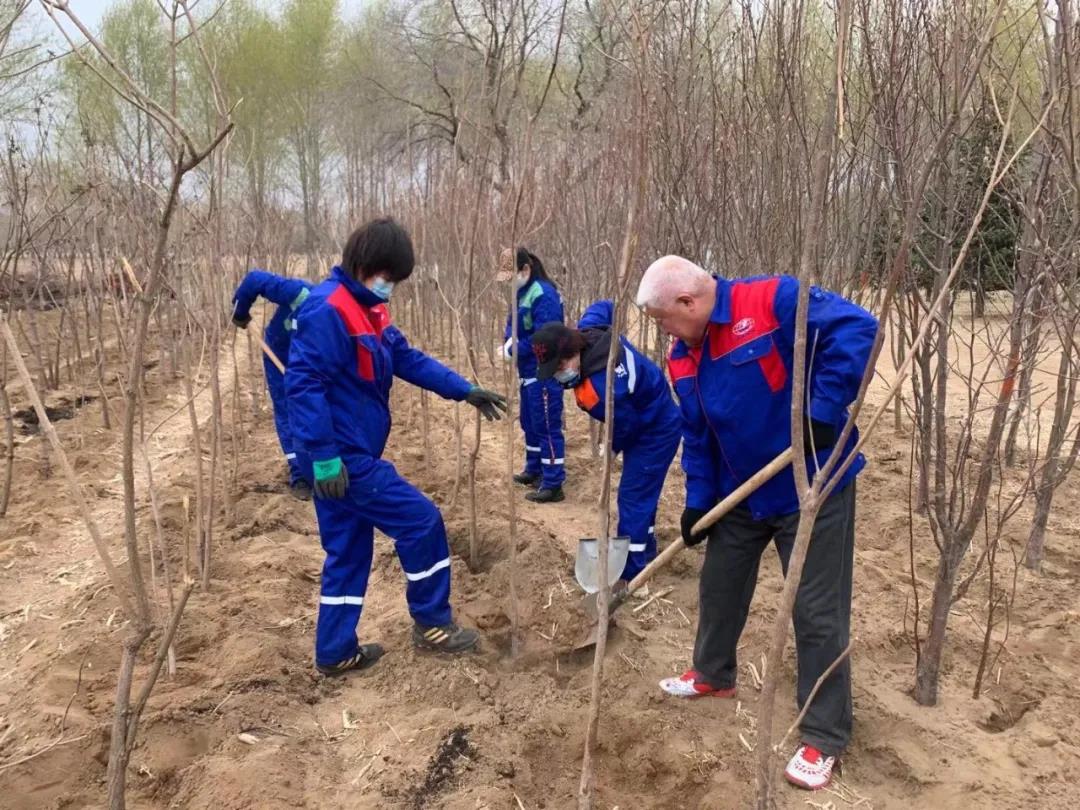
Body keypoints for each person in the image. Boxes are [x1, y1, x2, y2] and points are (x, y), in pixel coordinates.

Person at [637, 255, 877, 791]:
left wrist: (822, 410)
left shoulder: (772, 300)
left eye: (662, 319)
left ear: (687, 302)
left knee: (816, 611)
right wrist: (699, 502)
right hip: (742, 492)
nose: (663, 332)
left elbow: (860, 329)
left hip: (812, 483)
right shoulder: (682, 356)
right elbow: (697, 435)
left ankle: (824, 734)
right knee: (719, 583)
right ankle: (712, 674)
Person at [285, 217, 508, 676]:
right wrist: (324, 457)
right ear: (363, 264)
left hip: (347, 454)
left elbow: (404, 357)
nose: (390, 286)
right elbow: (303, 386)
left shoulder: (368, 309)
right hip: (340, 456)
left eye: (396, 280)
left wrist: (461, 389)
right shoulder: (328, 310)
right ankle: (432, 623)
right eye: (386, 276)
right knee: (421, 521)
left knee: (347, 550)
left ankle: (335, 651)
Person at [530, 301, 681, 584]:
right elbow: (605, 305)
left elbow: (627, 426)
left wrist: (611, 448)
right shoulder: (592, 328)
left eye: (560, 365)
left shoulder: (600, 388)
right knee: (640, 494)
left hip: (656, 430)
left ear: (573, 352)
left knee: (633, 497)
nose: (558, 373)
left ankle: (634, 572)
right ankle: (646, 551)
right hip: (645, 417)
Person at [232, 269, 314, 500]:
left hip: (310, 361)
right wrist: (240, 311)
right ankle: (299, 475)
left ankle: (320, 464)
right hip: (278, 353)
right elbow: (254, 279)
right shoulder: (299, 293)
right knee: (287, 410)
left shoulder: (337, 323)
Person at [497, 248, 567, 503]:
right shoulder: (521, 293)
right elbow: (511, 325)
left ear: (525, 269)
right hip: (526, 373)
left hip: (544, 373)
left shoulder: (544, 294)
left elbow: (546, 339)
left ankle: (553, 483)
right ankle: (534, 468)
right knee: (530, 422)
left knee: (547, 426)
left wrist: (515, 349)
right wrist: (507, 343)